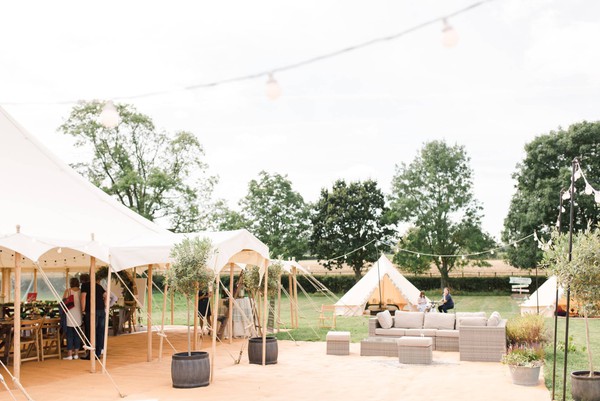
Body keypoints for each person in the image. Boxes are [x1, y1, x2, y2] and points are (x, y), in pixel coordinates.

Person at [80, 273, 107, 359]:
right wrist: (105, 305)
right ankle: (98, 353)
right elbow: (106, 295)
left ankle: (91, 354)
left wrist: (83, 309)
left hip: (91, 311)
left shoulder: (84, 286)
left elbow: (83, 297)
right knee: (100, 332)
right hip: (101, 310)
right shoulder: (98, 286)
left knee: (91, 332)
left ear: (82, 280)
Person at [62, 277, 83, 360]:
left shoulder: (68, 291)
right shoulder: (81, 291)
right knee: (77, 335)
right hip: (79, 315)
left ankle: (70, 354)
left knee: (69, 335)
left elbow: (63, 302)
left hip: (69, 315)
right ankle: (76, 354)